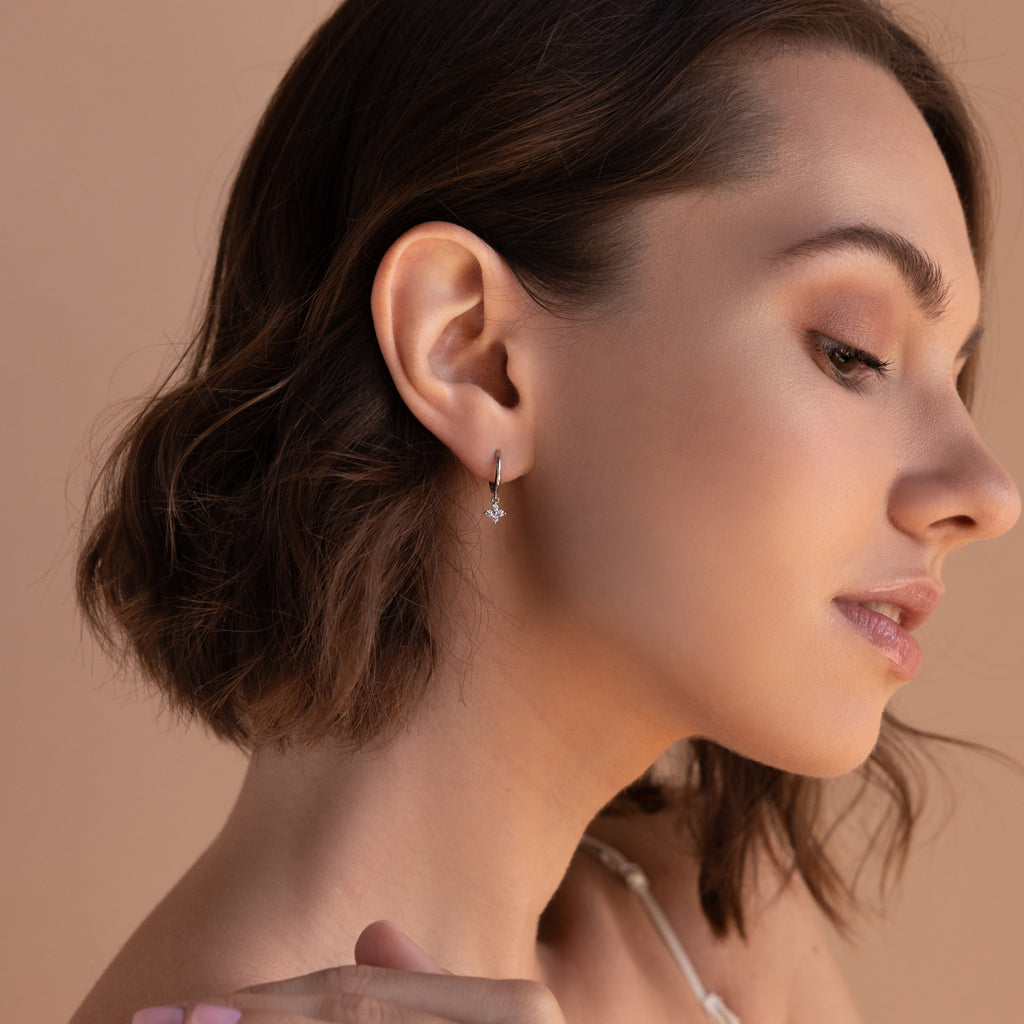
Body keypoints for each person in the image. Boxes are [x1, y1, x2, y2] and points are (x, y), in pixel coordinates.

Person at [69, 0, 1020, 1021]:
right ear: (471, 350)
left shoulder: (703, 917)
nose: (986, 494)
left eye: (951, 376)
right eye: (851, 349)